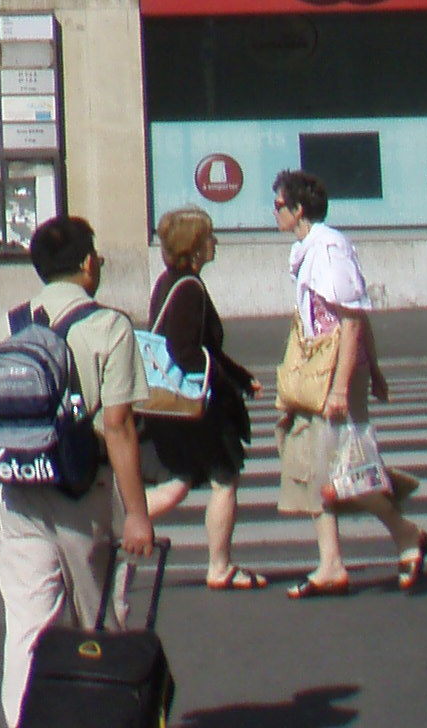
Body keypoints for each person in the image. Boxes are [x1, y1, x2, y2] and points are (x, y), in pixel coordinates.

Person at [0, 214, 154, 728]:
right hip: (83, 493)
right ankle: (100, 715)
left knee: (27, 627)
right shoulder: (110, 326)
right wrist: (138, 516)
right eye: (96, 255)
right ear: (86, 264)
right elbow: (119, 427)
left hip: (18, 489)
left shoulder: (8, 324)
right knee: (98, 621)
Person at [271, 169, 427, 597]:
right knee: (323, 469)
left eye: (279, 205)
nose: (275, 212)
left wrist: (348, 384)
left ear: (298, 208)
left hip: (334, 375)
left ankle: (405, 534)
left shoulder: (328, 248)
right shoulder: (309, 249)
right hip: (320, 372)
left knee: (342, 473)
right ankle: (332, 564)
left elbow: (353, 317)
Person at [141, 206, 262, 588]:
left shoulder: (169, 282)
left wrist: (241, 378)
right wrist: (227, 385)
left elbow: (202, 348)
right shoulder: (189, 288)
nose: (215, 243)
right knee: (224, 478)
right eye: (209, 237)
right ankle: (220, 566)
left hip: (172, 406)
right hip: (196, 406)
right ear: (194, 247)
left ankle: (110, 527)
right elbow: (187, 352)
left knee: (179, 481)